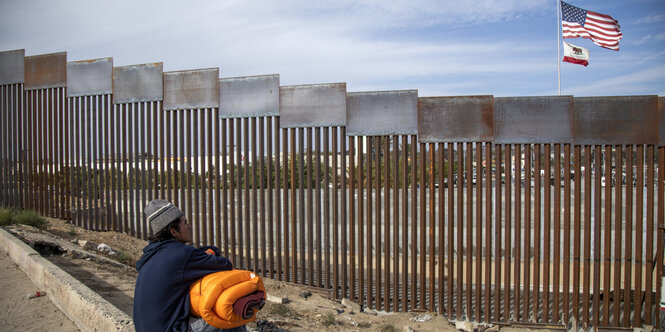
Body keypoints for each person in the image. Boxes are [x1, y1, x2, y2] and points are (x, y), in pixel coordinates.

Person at [133, 199, 245, 332]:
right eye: (185, 222)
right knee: (232, 317)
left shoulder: (151, 255)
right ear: (174, 231)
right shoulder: (182, 254)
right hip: (170, 329)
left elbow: (195, 255)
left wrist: (207, 252)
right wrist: (212, 252)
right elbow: (225, 265)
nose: (189, 226)